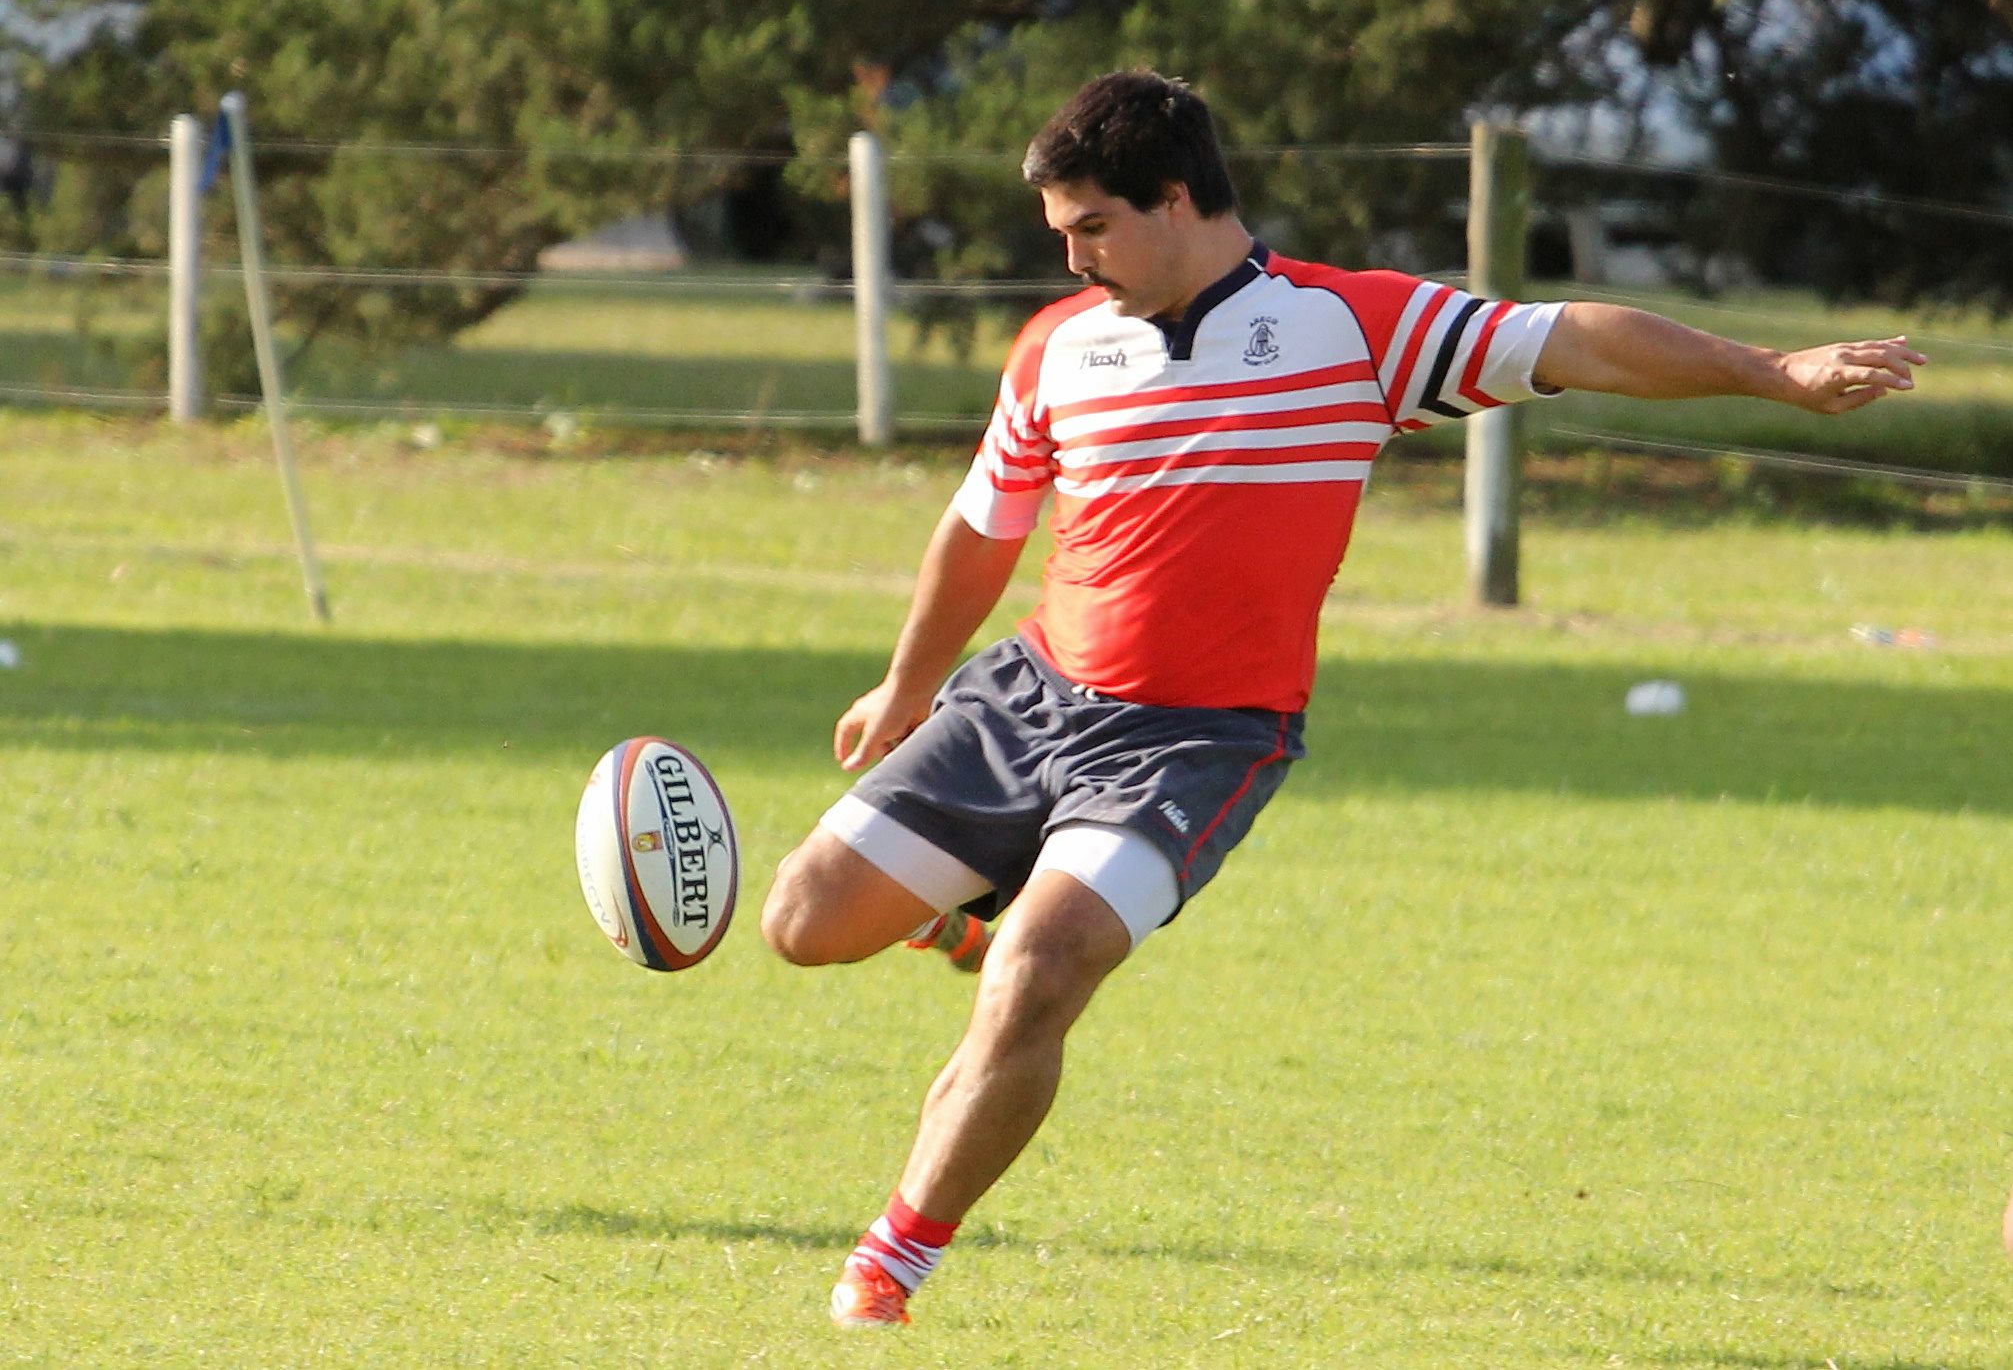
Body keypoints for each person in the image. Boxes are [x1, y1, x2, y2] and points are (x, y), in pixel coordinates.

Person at [758, 69, 1926, 1329]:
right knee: (802, 921)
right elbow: (985, 526)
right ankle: (957, 917)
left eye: (1093, 228)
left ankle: (892, 1261)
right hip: (1028, 696)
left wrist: (1773, 372)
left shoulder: (1350, 330)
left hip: (1197, 738)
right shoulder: (1056, 348)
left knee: (1045, 969)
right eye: (1062, 239)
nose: (1077, 260)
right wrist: (908, 684)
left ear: (1174, 197)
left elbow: (1571, 339)